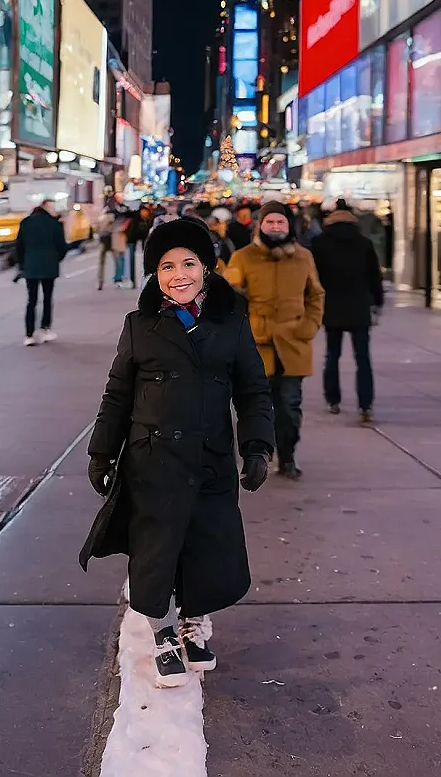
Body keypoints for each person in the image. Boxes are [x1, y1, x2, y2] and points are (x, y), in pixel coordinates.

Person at [80, 218, 274, 687]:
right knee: (155, 550)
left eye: (188, 262)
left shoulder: (230, 323)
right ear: (155, 274)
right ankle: (163, 630)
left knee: (207, 545)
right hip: (153, 460)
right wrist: (101, 453)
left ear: (206, 267)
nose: (178, 274)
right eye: (166, 266)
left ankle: (194, 622)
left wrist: (256, 445)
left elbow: (252, 389)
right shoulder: (140, 325)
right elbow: (117, 395)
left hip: (210, 459)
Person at [225, 200, 324, 479]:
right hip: (257, 345)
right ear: (260, 225)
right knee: (257, 407)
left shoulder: (303, 257)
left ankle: (288, 455)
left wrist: (309, 326)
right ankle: (256, 457)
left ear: (288, 225)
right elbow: (228, 296)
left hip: (294, 343)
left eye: (280, 222)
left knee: (290, 406)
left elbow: (316, 295)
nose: (276, 226)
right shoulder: (244, 257)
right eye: (270, 222)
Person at [311, 199, 384, 424]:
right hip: (359, 305)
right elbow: (375, 275)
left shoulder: (319, 243)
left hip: (331, 306)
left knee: (332, 354)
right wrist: (377, 302)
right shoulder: (363, 243)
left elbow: (314, 279)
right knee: (363, 357)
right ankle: (365, 404)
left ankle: (333, 399)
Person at [16, 199, 68, 346]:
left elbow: (19, 246)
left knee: (31, 300)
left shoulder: (26, 223)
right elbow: (62, 247)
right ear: (46, 207)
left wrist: (22, 264)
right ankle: (45, 328)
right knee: (47, 298)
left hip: (31, 266)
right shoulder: (54, 224)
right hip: (49, 265)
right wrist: (55, 258)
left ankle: (29, 334)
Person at [126, 205, 151, 289]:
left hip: (143, 239)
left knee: (145, 259)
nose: (144, 214)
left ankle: (145, 279)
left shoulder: (148, 218)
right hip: (133, 239)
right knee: (132, 260)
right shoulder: (136, 216)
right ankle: (133, 281)